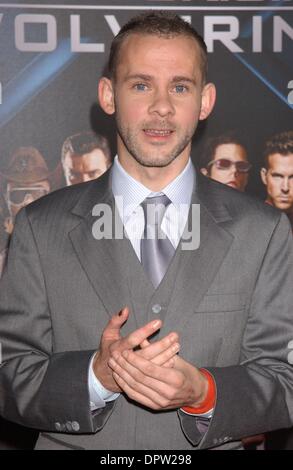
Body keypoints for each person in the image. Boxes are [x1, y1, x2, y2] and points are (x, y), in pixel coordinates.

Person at [0, 12, 293, 451]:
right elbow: (9, 374)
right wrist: (95, 376)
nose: (162, 106)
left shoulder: (264, 230)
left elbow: (283, 379)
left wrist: (204, 392)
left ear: (205, 101)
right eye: (141, 85)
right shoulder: (40, 228)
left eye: (180, 86)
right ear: (108, 95)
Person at [260, 130, 293, 230]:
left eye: (292, 177)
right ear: (264, 176)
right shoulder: (247, 223)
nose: (285, 187)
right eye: (277, 176)